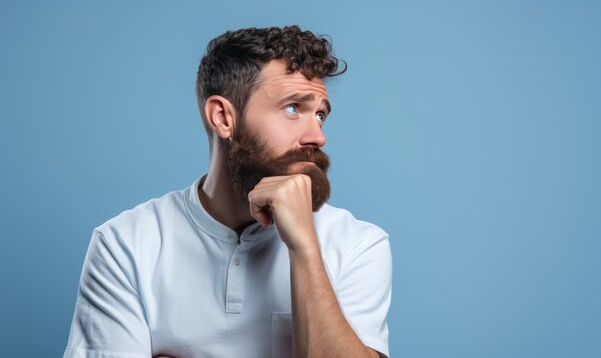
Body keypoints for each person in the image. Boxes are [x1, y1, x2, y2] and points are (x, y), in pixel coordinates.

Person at [63, 25, 392, 358]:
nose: (317, 136)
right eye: (293, 108)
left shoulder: (359, 245)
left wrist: (304, 248)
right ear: (222, 118)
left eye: (320, 115)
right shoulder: (124, 244)